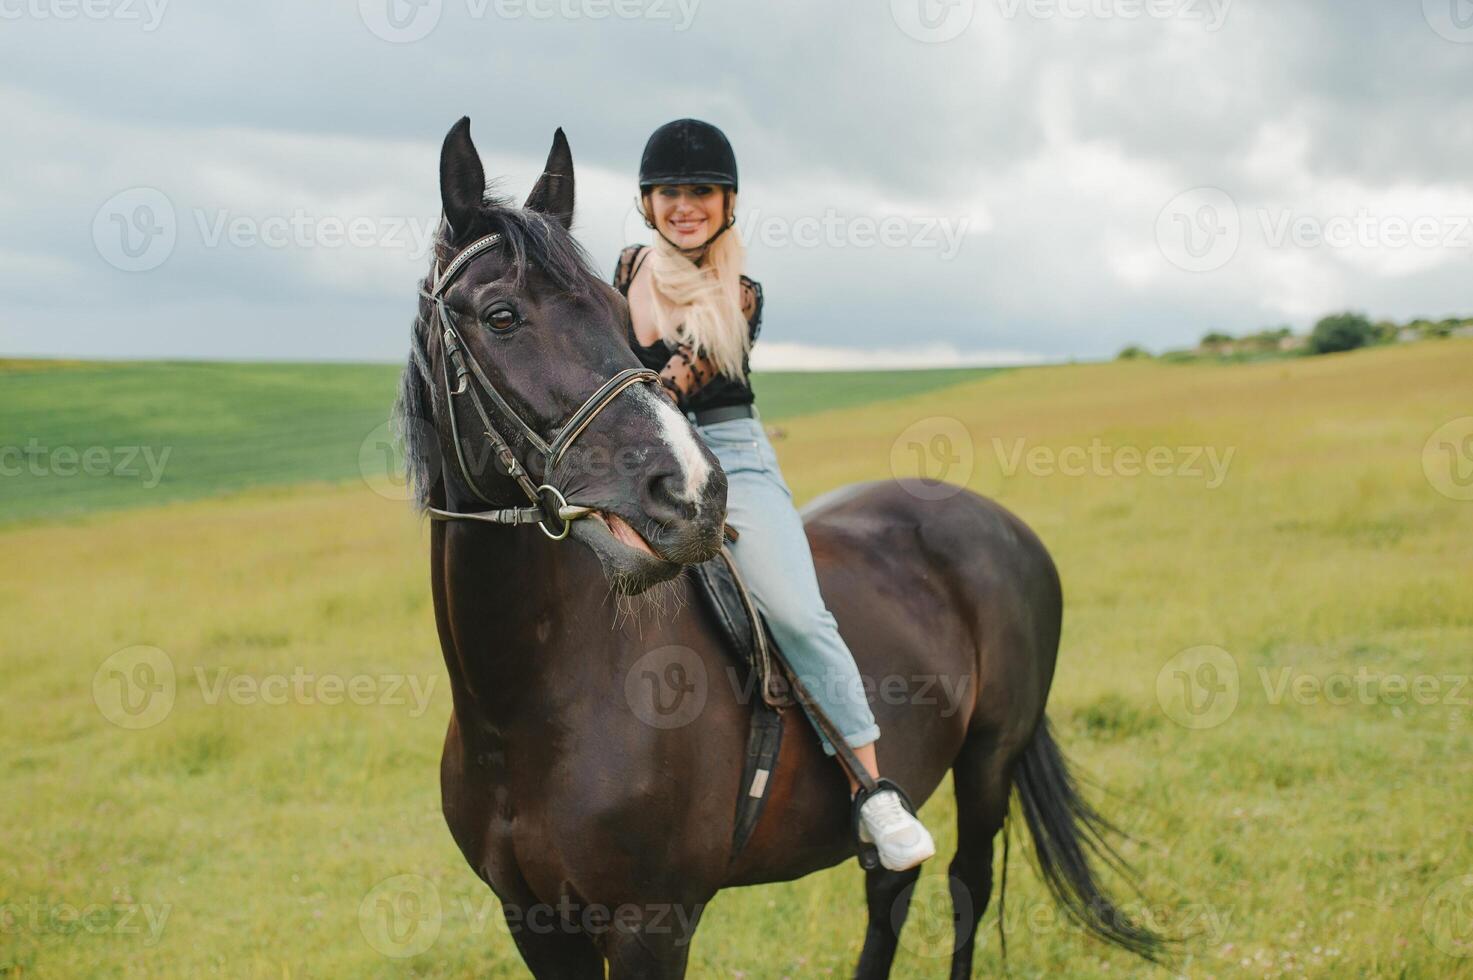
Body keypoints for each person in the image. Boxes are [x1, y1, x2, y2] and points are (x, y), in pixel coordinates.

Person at [612, 118, 935, 872]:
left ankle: (873, 790)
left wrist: (616, 409)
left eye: (700, 192)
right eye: (669, 192)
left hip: (726, 459)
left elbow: (671, 386)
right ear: (645, 201)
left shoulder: (739, 293)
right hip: (631, 457)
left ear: (727, 203)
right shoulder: (626, 268)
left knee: (794, 609)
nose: (683, 205)